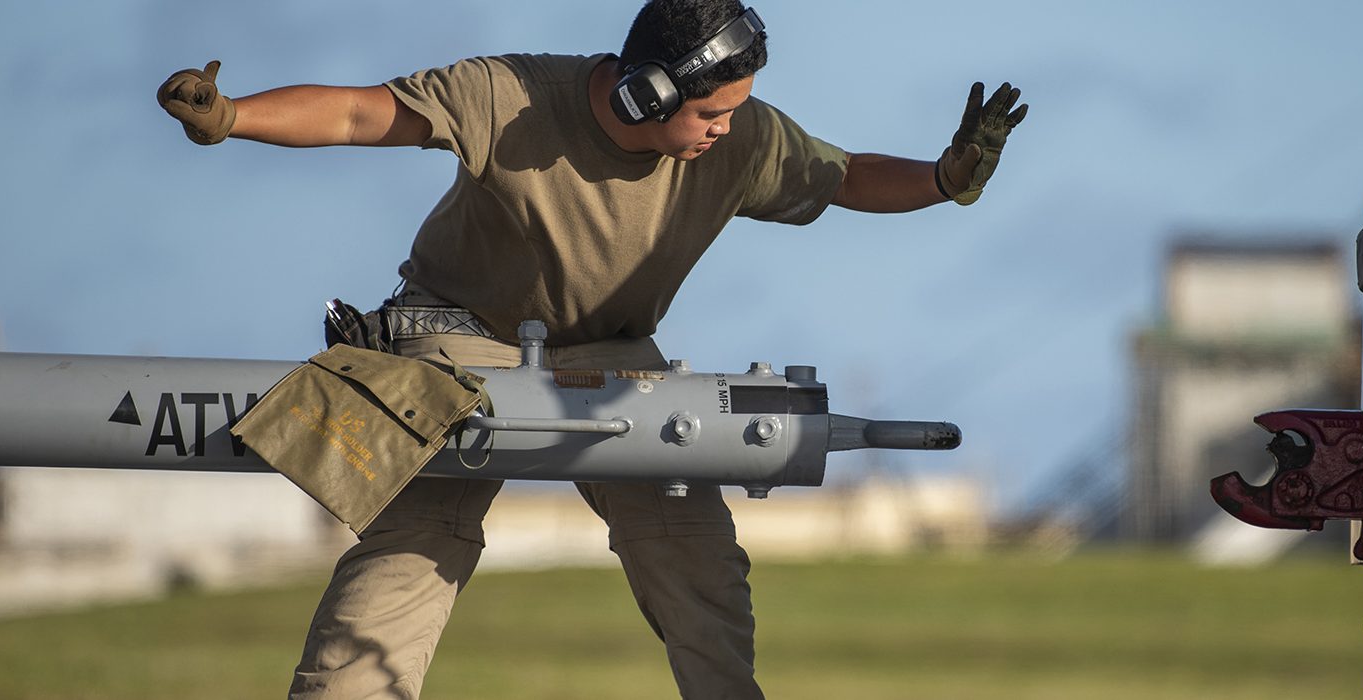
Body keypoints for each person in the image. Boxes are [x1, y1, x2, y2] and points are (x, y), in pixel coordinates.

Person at [157, 2, 1025, 698]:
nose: (730, 126)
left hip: (612, 356)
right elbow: (357, 112)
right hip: (458, 339)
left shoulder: (744, 139)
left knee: (689, 542)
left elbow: (845, 178)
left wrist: (944, 181)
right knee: (420, 537)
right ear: (649, 94)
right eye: (713, 110)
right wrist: (231, 118)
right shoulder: (507, 95)